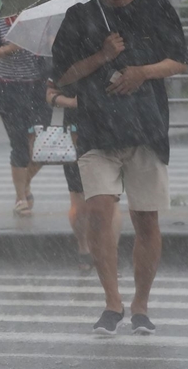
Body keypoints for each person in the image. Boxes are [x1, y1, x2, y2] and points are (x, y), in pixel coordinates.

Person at [51, 0, 188, 335]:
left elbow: (179, 60)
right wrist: (101, 55)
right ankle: (112, 302)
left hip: (146, 128)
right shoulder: (80, 16)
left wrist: (141, 73)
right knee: (97, 211)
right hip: (96, 129)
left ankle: (140, 305)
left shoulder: (157, 9)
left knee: (146, 218)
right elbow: (63, 75)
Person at [0, 0, 52, 216]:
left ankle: (25, 184)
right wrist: (7, 50)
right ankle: (21, 196)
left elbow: (53, 45)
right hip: (9, 90)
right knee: (19, 145)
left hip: (38, 88)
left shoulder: (39, 20)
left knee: (43, 147)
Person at [46, 81, 122, 273]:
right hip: (76, 136)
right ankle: (84, 248)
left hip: (111, 130)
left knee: (111, 199)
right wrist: (73, 102)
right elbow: (50, 95)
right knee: (79, 202)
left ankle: (111, 253)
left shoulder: (115, 54)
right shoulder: (65, 55)